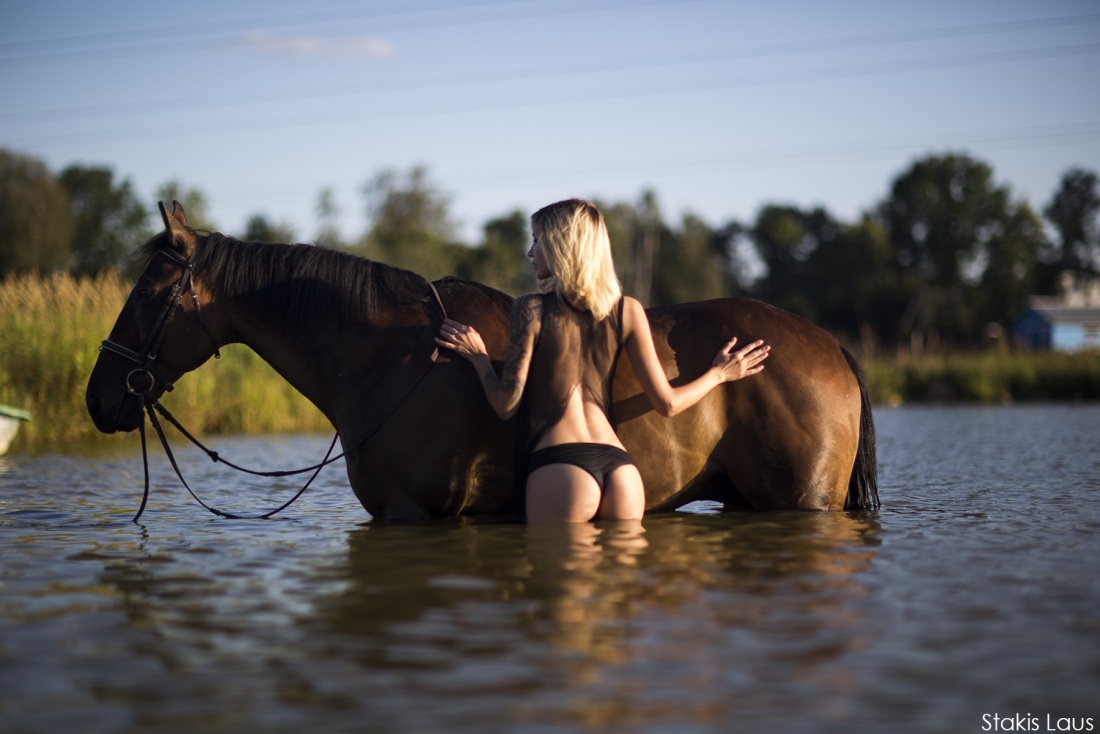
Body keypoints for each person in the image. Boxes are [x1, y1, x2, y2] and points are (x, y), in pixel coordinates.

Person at [436, 198, 769, 524]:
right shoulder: (628, 311)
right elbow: (667, 403)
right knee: (618, 581)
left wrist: (479, 358)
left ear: (561, 246)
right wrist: (719, 375)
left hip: (561, 466)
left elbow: (506, 404)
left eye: (537, 240)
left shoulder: (531, 308)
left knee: (561, 578)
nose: (530, 252)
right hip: (621, 470)